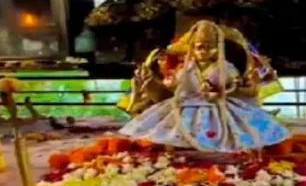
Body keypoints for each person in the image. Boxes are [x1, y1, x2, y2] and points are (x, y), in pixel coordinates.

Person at [119, 20, 289, 152]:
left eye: (209, 47)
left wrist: (222, 92)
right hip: (186, 104)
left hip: (219, 106)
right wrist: (151, 84)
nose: (204, 51)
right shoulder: (186, 68)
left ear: (218, 48)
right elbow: (174, 90)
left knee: (241, 130)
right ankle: (174, 149)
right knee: (167, 129)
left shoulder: (226, 68)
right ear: (192, 48)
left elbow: (236, 88)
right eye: (200, 47)